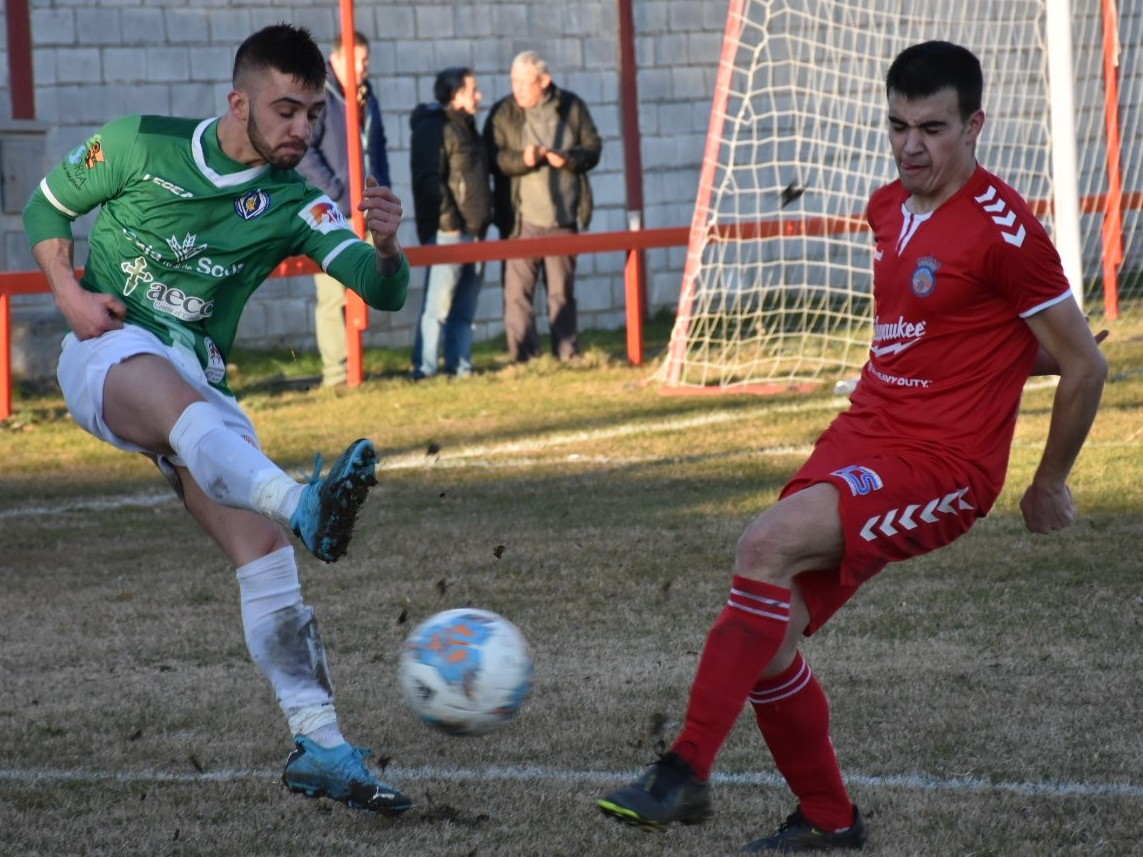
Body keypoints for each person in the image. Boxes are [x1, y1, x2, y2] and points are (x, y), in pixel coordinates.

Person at [597, 41, 1107, 852]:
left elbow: (1086, 363)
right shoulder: (883, 209)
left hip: (943, 465)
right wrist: (1017, 353)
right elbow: (968, 338)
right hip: (862, 438)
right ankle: (829, 819)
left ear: (974, 125)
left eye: (932, 128)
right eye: (898, 125)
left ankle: (682, 770)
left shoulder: (1005, 231)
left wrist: (1047, 482)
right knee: (770, 635)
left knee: (761, 543)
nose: (911, 146)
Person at [23, 23, 414, 816]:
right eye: (286, 111)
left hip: (197, 381)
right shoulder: (139, 144)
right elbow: (46, 206)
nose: (302, 129)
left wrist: (390, 245)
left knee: (263, 555)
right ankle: (304, 503)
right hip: (109, 350)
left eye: (313, 113)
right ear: (238, 102)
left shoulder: (301, 200)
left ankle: (322, 745)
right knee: (181, 407)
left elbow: (380, 287)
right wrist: (68, 293)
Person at [484, 50, 601, 364]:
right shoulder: (503, 112)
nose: (518, 89)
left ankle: (567, 354)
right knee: (517, 295)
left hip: (562, 217)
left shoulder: (571, 106)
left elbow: (593, 148)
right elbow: (491, 158)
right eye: (514, 81)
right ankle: (524, 359)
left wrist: (569, 159)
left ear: (544, 81)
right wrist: (523, 159)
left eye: (525, 82)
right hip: (520, 220)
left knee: (561, 293)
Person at [297, 30, 391, 387]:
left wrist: (382, 193)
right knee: (332, 292)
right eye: (361, 60)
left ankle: (355, 370)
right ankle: (336, 375)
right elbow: (305, 152)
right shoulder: (321, 97)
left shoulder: (367, 97)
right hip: (334, 211)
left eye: (367, 61)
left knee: (362, 289)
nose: (366, 68)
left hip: (367, 209)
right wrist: (338, 192)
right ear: (339, 58)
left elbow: (377, 149)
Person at [409, 66, 493, 379]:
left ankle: (461, 366)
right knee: (438, 307)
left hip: (475, 230)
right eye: (473, 90)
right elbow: (429, 179)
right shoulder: (435, 127)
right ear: (455, 94)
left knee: (464, 308)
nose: (479, 96)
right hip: (451, 233)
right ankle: (425, 369)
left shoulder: (466, 126)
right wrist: (449, 223)